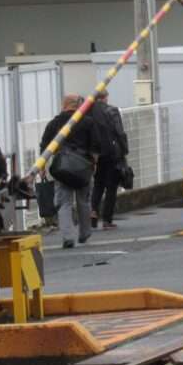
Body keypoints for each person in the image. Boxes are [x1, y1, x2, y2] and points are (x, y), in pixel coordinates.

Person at [40, 94, 100, 249]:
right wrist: (94, 162)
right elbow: (96, 145)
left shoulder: (54, 123)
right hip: (83, 167)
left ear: (64, 105)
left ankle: (67, 237)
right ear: (78, 105)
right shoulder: (87, 121)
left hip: (62, 168)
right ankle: (84, 233)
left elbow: (45, 147)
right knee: (83, 201)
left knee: (64, 203)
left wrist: (42, 167)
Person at [90, 91, 129, 230]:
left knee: (98, 184)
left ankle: (93, 211)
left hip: (97, 154)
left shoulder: (88, 111)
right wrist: (124, 150)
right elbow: (119, 131)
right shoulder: (111, 110)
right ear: (105, 97)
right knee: (111, 187)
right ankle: (107, 220)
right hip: (112, 153)